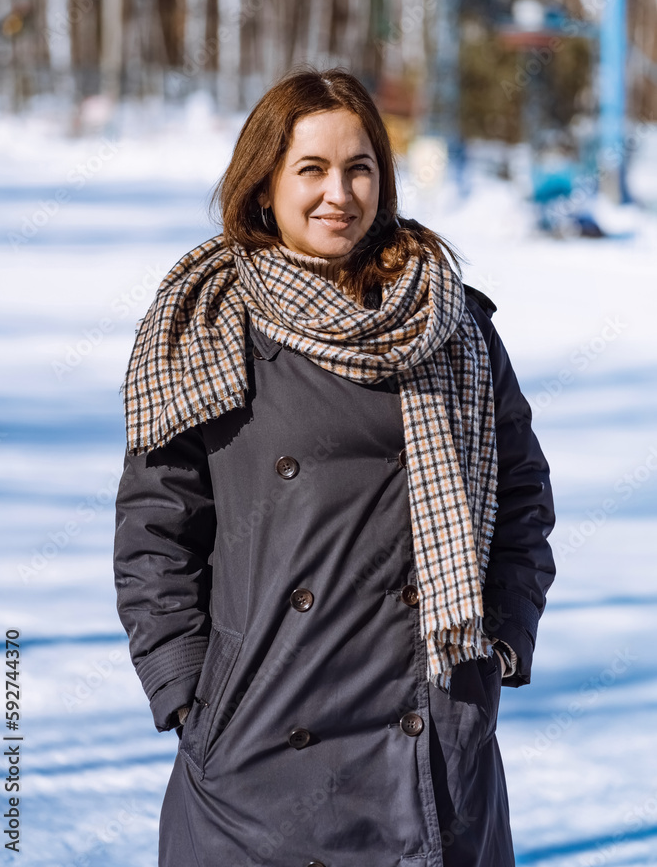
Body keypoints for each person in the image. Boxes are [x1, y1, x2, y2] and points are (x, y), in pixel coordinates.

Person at [114, 66, 556, 867]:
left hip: (430, 735)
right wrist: (187, 694)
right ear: (264, 187)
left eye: (359, 168)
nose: (338, 194)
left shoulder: (449, 323)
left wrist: (500, 644)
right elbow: (155, 530)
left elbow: (522, 497)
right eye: (310, 169)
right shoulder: (208, 327)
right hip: (257, 739)